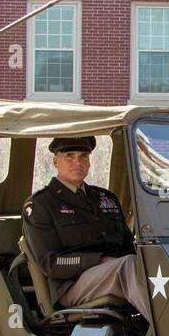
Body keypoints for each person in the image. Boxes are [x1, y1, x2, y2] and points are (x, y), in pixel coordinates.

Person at [21, 136, 152, 325]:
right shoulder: (41, 204)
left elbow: (127, 246)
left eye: (83, 156)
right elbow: (50, 264)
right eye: (69, 156)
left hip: (116, 272)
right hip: (71, 284)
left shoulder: (105, 198)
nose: (78, 162)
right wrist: (100, 260)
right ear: (55, 161)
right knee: (128, 266)